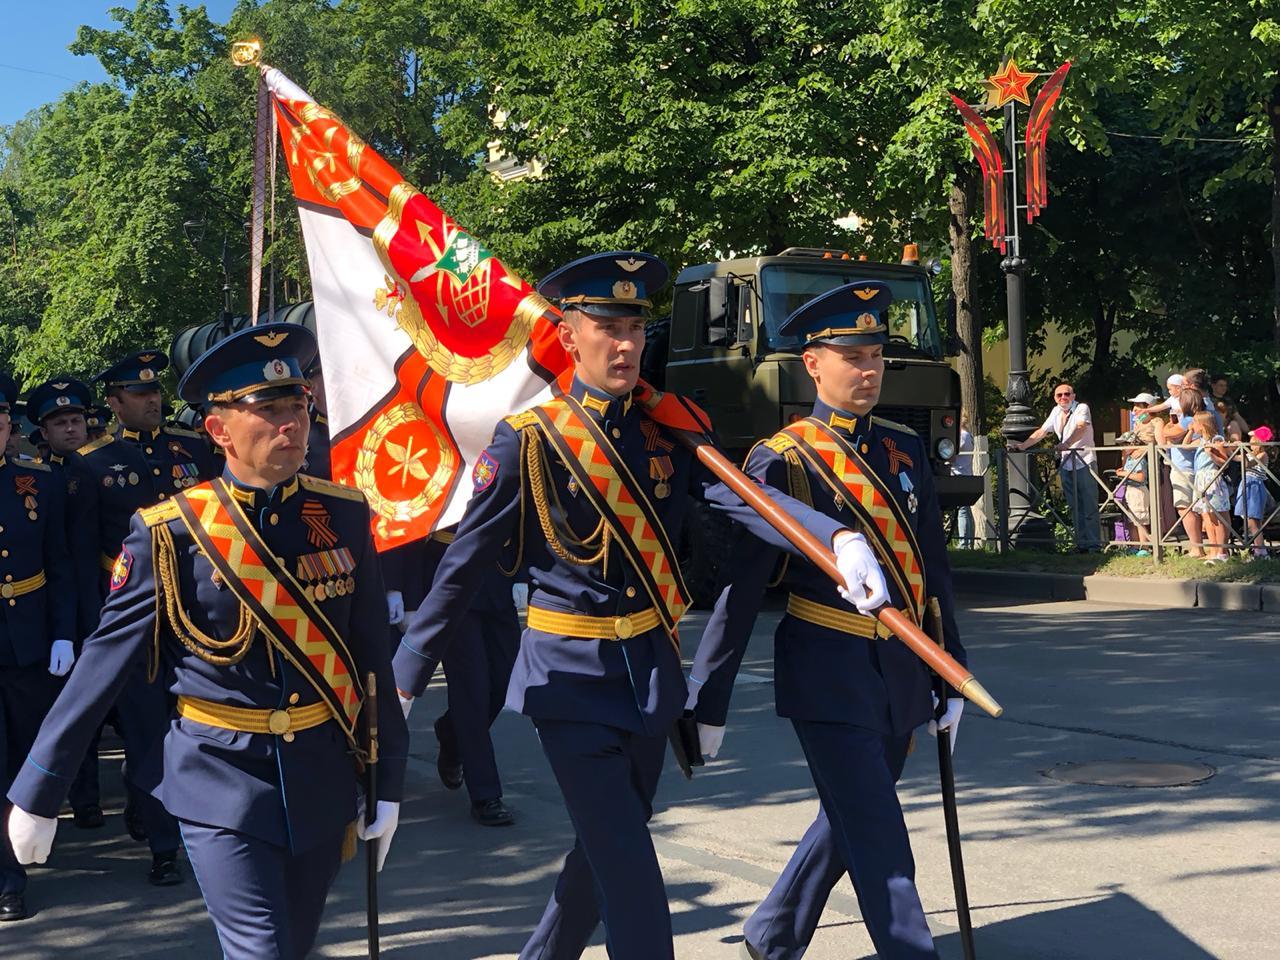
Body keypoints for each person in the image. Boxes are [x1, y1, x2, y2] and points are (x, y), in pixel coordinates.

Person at [391, 251, 880, 960]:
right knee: (631, 873)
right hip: (570, 681)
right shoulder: (531, 441)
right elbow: (463, 568)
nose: (626, 345)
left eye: (635, 329)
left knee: (601, 855)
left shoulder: (668, 430)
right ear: (569, 335)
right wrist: (407, 672)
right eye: (607, 328)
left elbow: (739, 500)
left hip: (651, 677)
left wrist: (833, 537)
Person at [8, 324, 407, 957]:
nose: (291, 425)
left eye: (298, 405)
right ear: (218, 429)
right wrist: (39, 787)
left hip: (322, 773)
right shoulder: (172, 531)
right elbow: (104, 663)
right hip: (220, 776)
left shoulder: (345, 512)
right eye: (268, 410)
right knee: (262, 950)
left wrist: (387, 782)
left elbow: (371, 662)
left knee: (294, 946)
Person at [688, 282, 965, 960]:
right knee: (879, 833)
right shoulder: (782, 459)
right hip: (827, 670)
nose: (867, 371)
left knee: (848, 821)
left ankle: (772, 934)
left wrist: (951, 669)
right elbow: (742, 590)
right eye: (852, 358)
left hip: (899, 671)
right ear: (813, 364)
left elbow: (932, 571)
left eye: (875, 356)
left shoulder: (902, 451)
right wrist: (709, 700)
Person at [62, 348, 218, 883]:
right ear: (115, 401)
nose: (153, 399)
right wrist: (89, 629)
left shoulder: (192, 448)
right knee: (148, 731)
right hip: (136, 619)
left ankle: (197, 822)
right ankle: (163, 844)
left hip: (198, 612)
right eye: (139, 393)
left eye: (155, 391)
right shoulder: (91, 464)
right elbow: (83, 557)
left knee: (201, 724)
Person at [0, 373, 78, 922]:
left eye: (0, 418)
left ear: (9, 425)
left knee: (23, 758)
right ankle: (9, 880)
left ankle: (17, 852)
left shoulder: (39, 482)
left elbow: (62, 564)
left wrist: (63, 633)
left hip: (26, 638)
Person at [383, 531, 520, 826]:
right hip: (448, 573)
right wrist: (398, 586)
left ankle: (451, 734)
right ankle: (485, 793)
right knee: (472, 689)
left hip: (498, 570)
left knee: (503, 681)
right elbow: (404, 513)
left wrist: (527, 571)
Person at [25, 377, 106, 828]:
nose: (72, 428)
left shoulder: (91, 469)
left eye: (77, 420)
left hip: (91, 599)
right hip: (47, 606)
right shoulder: (32, 475)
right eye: (61, 423)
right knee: (51, 709)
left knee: (88, 704)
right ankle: (55, 793)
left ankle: (88, 798)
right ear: (43, 430)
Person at [1011, 382, 1101, 552]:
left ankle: (1094, 545)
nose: (1063, 398)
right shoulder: (1056, 411)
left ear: (1073, 396)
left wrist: (1067, 443)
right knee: (1075, 506)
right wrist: (1023, 446)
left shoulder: (1081, 408)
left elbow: (1081, 428)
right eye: (1059, 395)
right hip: (1066, 464)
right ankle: (1081, 544)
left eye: (1067, 394)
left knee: (1089, 505)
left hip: (1084, 461)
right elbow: (1042, 431)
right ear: (1055, 398)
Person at [1161, 388, 1206, 556]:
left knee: (1184, 507)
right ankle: (1205, 547)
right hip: (1196, 467)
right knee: (1198, 508)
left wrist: (1166, 425)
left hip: (1185, 468)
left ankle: (1197, 548)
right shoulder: (1204, 416)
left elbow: (1169, 433)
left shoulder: (1188, 420)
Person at [1117, 393, 1163, 555]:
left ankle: (1151, 544)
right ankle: (1138, 544)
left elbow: (1159, 443)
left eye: (1138, 406)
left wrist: (1143, 450)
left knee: (1146, 509)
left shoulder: (1157, 421)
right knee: (1135, 512)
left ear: (1148, 407)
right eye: (1134, 406)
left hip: (1148, 465)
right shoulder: (1137, 423)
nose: (1134, 409)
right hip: (1135, 464)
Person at [1187, 411, 1231, 563]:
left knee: (1217, 516)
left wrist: (1211, 454)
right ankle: (1213, 550)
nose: (1192, 424)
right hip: (1201, 479)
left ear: (1203, 424)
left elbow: (1224, 463)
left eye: (1194, 422)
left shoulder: (1216, 439)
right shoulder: (1199, 440)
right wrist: (1190, 431)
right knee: (1208, 517)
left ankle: (1222, 551)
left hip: (1212, 478)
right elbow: (1185, 445)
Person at [1236, 426, 1274, 560]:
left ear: (1260, 442)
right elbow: (1236, 459)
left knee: (1254, 520)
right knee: (1249, 519)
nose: (1250, 440)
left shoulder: (1263, 455)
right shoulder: (1249, 453)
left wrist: (1243, 449)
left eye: (1253, 438)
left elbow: (1248, 464)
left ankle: (1261, 551)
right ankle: (1257, 549)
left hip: (1255, 487)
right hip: (1247, 486)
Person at [953, 414, 976, 548]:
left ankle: (964, 543)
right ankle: (968, 542)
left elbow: (951, 452)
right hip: (966, 474)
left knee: (962, 510)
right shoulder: (969, 435)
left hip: (959, 474)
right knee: (965, 510)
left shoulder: (961, 436)